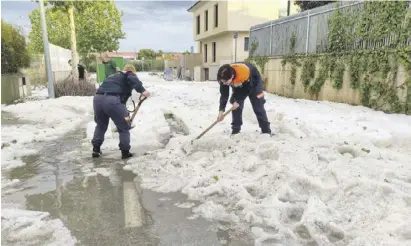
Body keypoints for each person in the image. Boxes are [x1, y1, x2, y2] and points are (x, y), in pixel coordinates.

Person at [91, 64, 150, 159]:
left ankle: (96, 149)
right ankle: (125, 152)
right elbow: (134, 80)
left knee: (101, 125)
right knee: (124, 127)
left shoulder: (113, 76)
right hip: (112, 100)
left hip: (98, 99)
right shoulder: (129, 74)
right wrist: (143, 91)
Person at [217, 62, 271, 135]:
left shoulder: (243, 72)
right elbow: (224, 95)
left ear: (232, 76)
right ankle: (235, 131)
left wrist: (238, 100)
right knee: (235, 105)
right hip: (239, 83)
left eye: (225, 81)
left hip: (253, 82)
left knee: (258, 104)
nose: (224, 83)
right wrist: (221, 110)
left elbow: (248, 89)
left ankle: (266, 131)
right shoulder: (224, 76)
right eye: (222, 81)